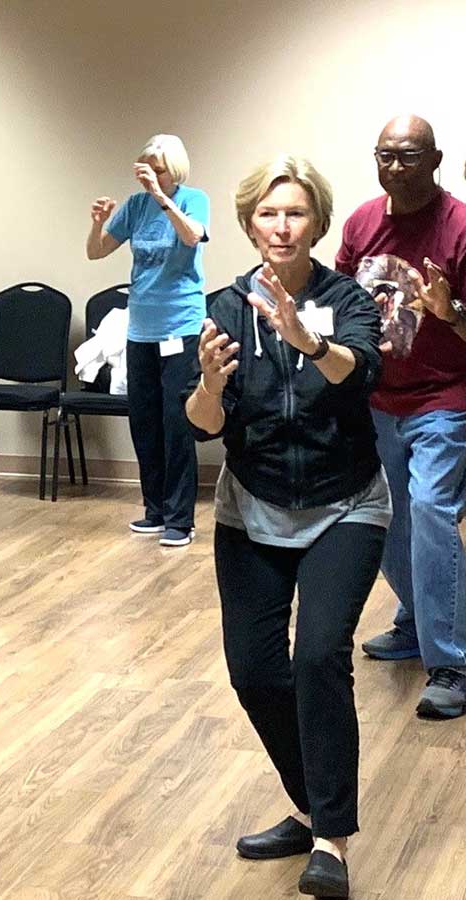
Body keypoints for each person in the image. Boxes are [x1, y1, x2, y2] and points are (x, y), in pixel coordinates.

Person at [187, 156, 386, 899]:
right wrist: (209, 386)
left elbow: (360, 372)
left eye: (296, 213)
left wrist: (305, 339)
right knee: (254, 670)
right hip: (254, 506)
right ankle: (310, 805)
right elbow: (204, 425)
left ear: (318, 224)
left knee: (318, 661)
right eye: (268, 214)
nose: (281, 226)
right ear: (248, 224)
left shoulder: (349, 299)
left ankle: (332, 839)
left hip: (346, 503)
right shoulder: (224, 307)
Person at [335, 114, 466, 720]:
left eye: (408, 156)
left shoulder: (460, 226)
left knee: (433, 510)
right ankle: (416, 620)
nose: (393, 167)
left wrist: (449, 309)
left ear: (434, 160)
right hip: (377, 399)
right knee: (382, 513)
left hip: (445, 398)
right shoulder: (362, 221)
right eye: (384, 155)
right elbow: (335, 299)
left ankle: (453, 662)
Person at [86, 134, 209, 546]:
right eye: (146, 170)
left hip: (181, 328)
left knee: (177, 424)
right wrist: (98, 222)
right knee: (145, 422)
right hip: (140, 329)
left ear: (173, 169)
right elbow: (97, 252)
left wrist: (161, 196)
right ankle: (154, 509)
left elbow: (192, 236)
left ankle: (180, 520)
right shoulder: (135, 205)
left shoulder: (193, 199)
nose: (150, 178)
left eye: (157, 170)